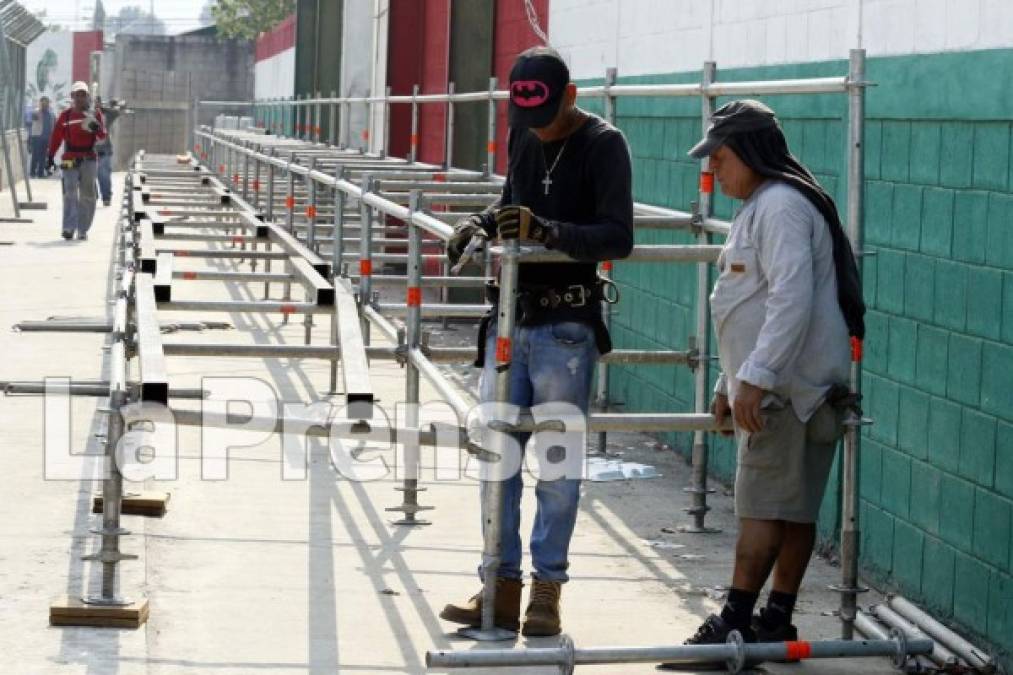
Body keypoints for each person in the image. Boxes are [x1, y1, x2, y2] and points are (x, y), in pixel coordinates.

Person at [660, 100, 865, 666]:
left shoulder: (779, 208)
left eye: (721, 159)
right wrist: (733, 379)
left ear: (749, 153)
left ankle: (735, 623)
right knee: (790, 509)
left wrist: (755, 380)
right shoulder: (766, 205)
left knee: (762, 508)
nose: (714, 170)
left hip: (787, 391)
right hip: (787, 385)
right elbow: (747, 303)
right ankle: (774, 620)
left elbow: (790, 300)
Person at [439, 46, 634, 637]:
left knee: (555, 465)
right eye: (528, 118)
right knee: (498, 462)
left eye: (547, 115)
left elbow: (617, 236)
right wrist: (479, 223)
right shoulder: (526, 134)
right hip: (510, 320)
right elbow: (509, 204)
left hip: (564, 327)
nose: (539, 129)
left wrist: (546, 231)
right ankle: (499, 583)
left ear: (570, 96)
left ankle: (546, 591)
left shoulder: (604, 145)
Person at [48, 81, 106, 241]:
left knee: (87, 195)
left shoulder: (95, 114)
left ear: (87, 96)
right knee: (69, 193)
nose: (80, 98)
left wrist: (96, 128)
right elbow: (56, 137)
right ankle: (68, 228)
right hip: (70, 158)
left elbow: (102, 137)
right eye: (77, 95)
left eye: (83, 95)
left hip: (89, 159)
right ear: (72, 97)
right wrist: (50, 156)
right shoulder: (65, 116)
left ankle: (82, 229)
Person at [94, 97, 126, 206]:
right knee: (88, 175)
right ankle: (93, 195)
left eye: (97, 103)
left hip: (104, 149)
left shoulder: (106, 114)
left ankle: (106, 197)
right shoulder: (85, 113)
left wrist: (102, 108)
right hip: (89, 150)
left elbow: (117, 112)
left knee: (103, 174)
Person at [27, 97, 55, 178]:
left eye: (46, 103)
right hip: (37, 137)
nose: (45, 104)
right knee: (35, 155)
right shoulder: (36, 112)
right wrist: (38, 109)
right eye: (43, 103)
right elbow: (32, 118)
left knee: (43, 156)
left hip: (46, 137)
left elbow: (52, 125)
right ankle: (32, 172)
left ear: (48, 103)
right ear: (41, 103)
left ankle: (40, 173)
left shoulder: (51, 114)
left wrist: (51, 137)